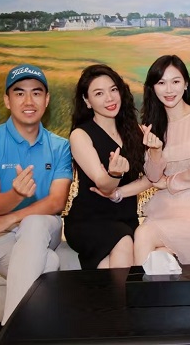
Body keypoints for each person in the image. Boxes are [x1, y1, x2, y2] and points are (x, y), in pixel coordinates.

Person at [0, 64, 72, 324]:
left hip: (43, 227)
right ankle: (23, 329)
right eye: (19, 93)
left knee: (33, 223)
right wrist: (15, 194)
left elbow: (57, 202)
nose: (28, 101)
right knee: (48, 263)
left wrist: (10, 218)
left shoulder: (60, 146)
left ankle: (12, 334)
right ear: (7, 100)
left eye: (36, 93)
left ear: (46, 100)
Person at [63, 64, 151, 270]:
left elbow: (151, 179)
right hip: (89, 219)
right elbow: (103, 184)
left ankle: (101, 292)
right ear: (87, 101)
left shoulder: (136, 132)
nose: (109, 98)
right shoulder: (80, 135)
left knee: (109, 273)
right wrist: (114, 174)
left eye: (113, 90)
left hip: (126, 218)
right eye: (99, 93)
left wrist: (155, 152)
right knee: (123, 241)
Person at [134, 55, 190, 265]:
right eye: (161, 83)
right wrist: (155, 151)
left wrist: (170, 182)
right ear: (153, 88)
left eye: (175, 81)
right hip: (164, 209)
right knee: (159, 259)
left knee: (143, 234)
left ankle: (138, 288)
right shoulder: (153, 125)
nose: (169, 89)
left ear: (186, 84)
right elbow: (153, 177)